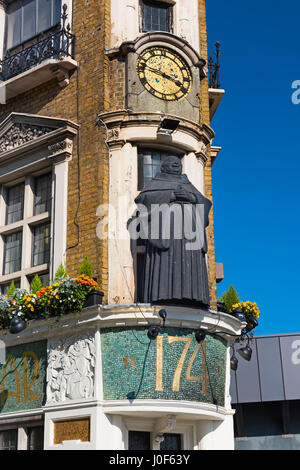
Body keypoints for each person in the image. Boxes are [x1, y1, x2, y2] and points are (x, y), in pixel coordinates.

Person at [132, 155, 212, 307]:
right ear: (163, 167)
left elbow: (205, 203)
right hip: (166, 231)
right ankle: (163, 294)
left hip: (190, 234)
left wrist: (191, 197)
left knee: (188, 260)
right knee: (167, 261)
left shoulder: (187, 183)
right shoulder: (156, 182)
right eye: (172, 162)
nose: (176, 164)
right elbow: (143, 199)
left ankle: (193, 296)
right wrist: (171, 195)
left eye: (178, 162)